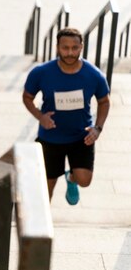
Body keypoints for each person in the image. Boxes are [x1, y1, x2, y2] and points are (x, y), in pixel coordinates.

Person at [23, 27, 110, 205]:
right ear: (57, 47)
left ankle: (71, 178)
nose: (70, 53)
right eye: (65, 48)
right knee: (46, 189)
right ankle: (41, 229)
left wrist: (98, 128)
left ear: (82, 47)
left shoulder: (94, 75)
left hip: (81, 136)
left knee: (84, 180)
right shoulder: (41, 72)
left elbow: (104, 101)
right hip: (50, 137)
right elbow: (27, 97)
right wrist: (41, 117)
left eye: (74, 48)